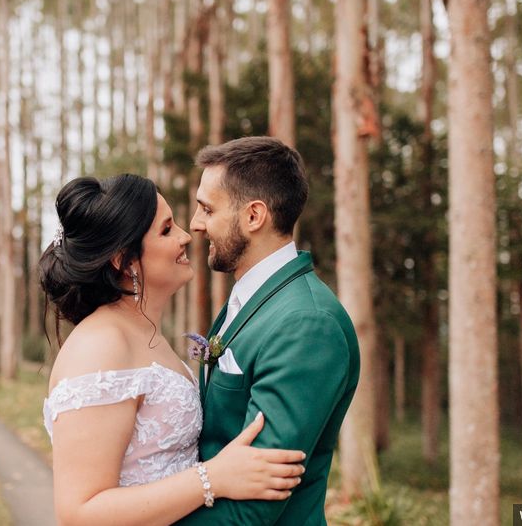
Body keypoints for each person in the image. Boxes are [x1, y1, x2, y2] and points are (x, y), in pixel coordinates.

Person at [40, 174, 306, 526]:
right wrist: (212, 478)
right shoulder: (100, 346)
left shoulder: (143, 335)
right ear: (124, 260)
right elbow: (80, 513)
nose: (185, 236)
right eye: (166, 230)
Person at [175, 136, 360, 525]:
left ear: (254, 216)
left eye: (207, 209)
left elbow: (257, 504)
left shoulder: (307, 325)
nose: (195, 224)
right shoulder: (252, 299)